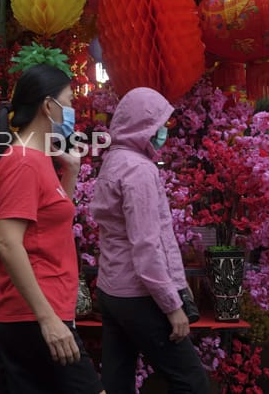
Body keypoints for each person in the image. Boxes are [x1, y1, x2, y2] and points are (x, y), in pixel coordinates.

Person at [0, 64, 104, 394]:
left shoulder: (40, 159)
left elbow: (52, 222)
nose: (73, 111)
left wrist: (72, 172)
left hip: (44, 311)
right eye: (69, 101)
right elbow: (8, 243)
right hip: (35, 315)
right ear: (48, 106)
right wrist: (47, 319)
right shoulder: (22, 161)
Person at [90, 87, 209, 394]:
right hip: (139, 292)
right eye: (159, 126)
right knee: (191, 380)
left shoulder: (112, 161)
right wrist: (172, 305)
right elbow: (146, 246)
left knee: (117, 382)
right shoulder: (139, 170)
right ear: (142, 127)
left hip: (111, 290)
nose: (161, 133)